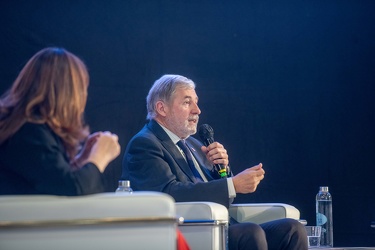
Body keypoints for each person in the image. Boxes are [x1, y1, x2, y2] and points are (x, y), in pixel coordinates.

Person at [122, 74, 308, 250]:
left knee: (292, 230)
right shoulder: (145, 144)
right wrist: (232, 185)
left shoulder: (193, 144)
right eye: (187, 102)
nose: (197, 110)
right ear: (162, 108)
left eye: (196, 102)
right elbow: (167, 195)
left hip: (220, 225)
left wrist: (224, 170)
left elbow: (223, 193)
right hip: (186, 230)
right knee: (250, 232)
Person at [0, 47, 121, 195]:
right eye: (82, 89)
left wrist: (80, 162)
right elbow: (72, 188)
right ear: (68, 92)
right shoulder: (30, 131)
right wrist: (98, 157)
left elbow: (49, 179)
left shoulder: (27, 127)